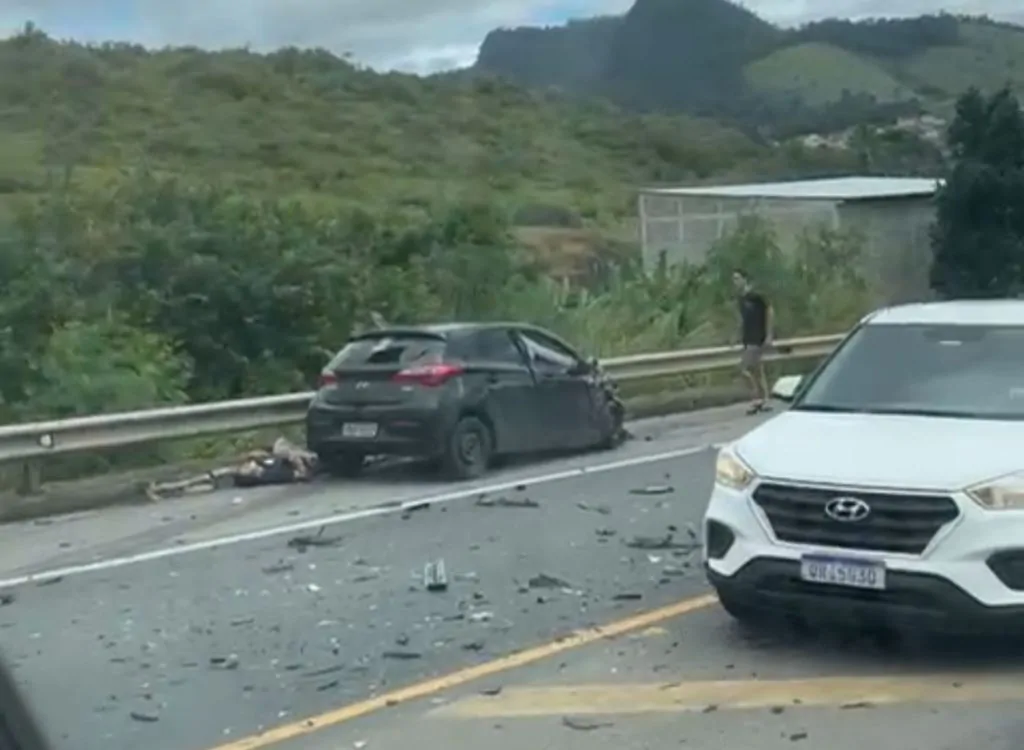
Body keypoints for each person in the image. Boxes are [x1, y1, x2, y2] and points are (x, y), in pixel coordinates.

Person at [732, 268, 773, 414]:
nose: (735, 282)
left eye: (737, 279)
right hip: (747, 338)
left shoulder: (755, 296)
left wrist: (769, 334)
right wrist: (736, 336)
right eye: (734, 279)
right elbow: (742, 320)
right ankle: (764, 400)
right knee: (757, 370)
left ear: (745, 279)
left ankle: (756, 398)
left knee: (744, 368)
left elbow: (769, 311)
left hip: (758, 337)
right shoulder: (741, 299)